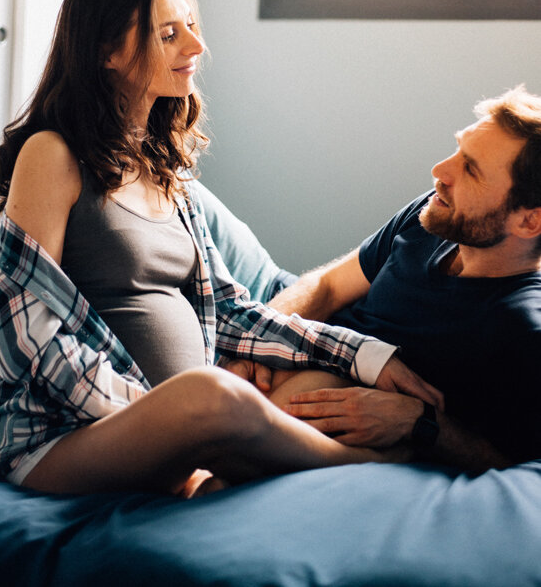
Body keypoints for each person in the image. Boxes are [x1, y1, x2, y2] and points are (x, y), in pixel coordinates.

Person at [0, 0, 437, 497]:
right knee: (213, 397)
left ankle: (231, 463)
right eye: (169, 34)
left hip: (176, 423)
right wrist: (164, 415)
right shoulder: (52, 155)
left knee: (318, 388)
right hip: (62, 437)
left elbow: (232, 313)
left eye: (192, 26)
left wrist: (366, 356)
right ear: (107, 52)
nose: (196, 47)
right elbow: (29, 336)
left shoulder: (167, 173)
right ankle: (365, 461)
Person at [227, 86, 541, 474]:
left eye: (471, 169)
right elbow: (327, 286)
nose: (441, 172)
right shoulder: (434, 216)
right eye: (458, 149)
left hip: (314, 410)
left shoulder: (522, 329)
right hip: (300, 345)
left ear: (529, 220)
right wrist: (254, 346)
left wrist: (421, 422)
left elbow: (514, 466)